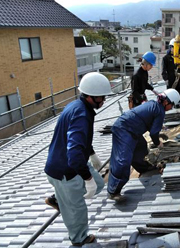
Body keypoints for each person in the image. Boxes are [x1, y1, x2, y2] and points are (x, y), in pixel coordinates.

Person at [44, 72, 111, 246]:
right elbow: (74, 157)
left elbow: (80, 140)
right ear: (90, 96)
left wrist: (92, 154)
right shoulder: (82, 115)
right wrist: (87, 179)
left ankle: (59, 200)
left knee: (99, 184)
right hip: (65, 171)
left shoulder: (77, 106)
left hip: (64, 164)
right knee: (77, 208)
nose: (103, 101)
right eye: (101, 98)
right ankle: (79, 238)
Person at [107, 89, 180, 201]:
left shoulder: (153, 104)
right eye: (172, 105)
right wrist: (158, 143)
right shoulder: (160, 111)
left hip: (132, 130)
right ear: (166, 102)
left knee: (140, 148)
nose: (171, 108)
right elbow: (153, 133)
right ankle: (113, 191)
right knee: (123, 160)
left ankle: (145, 168)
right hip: (124, 129)